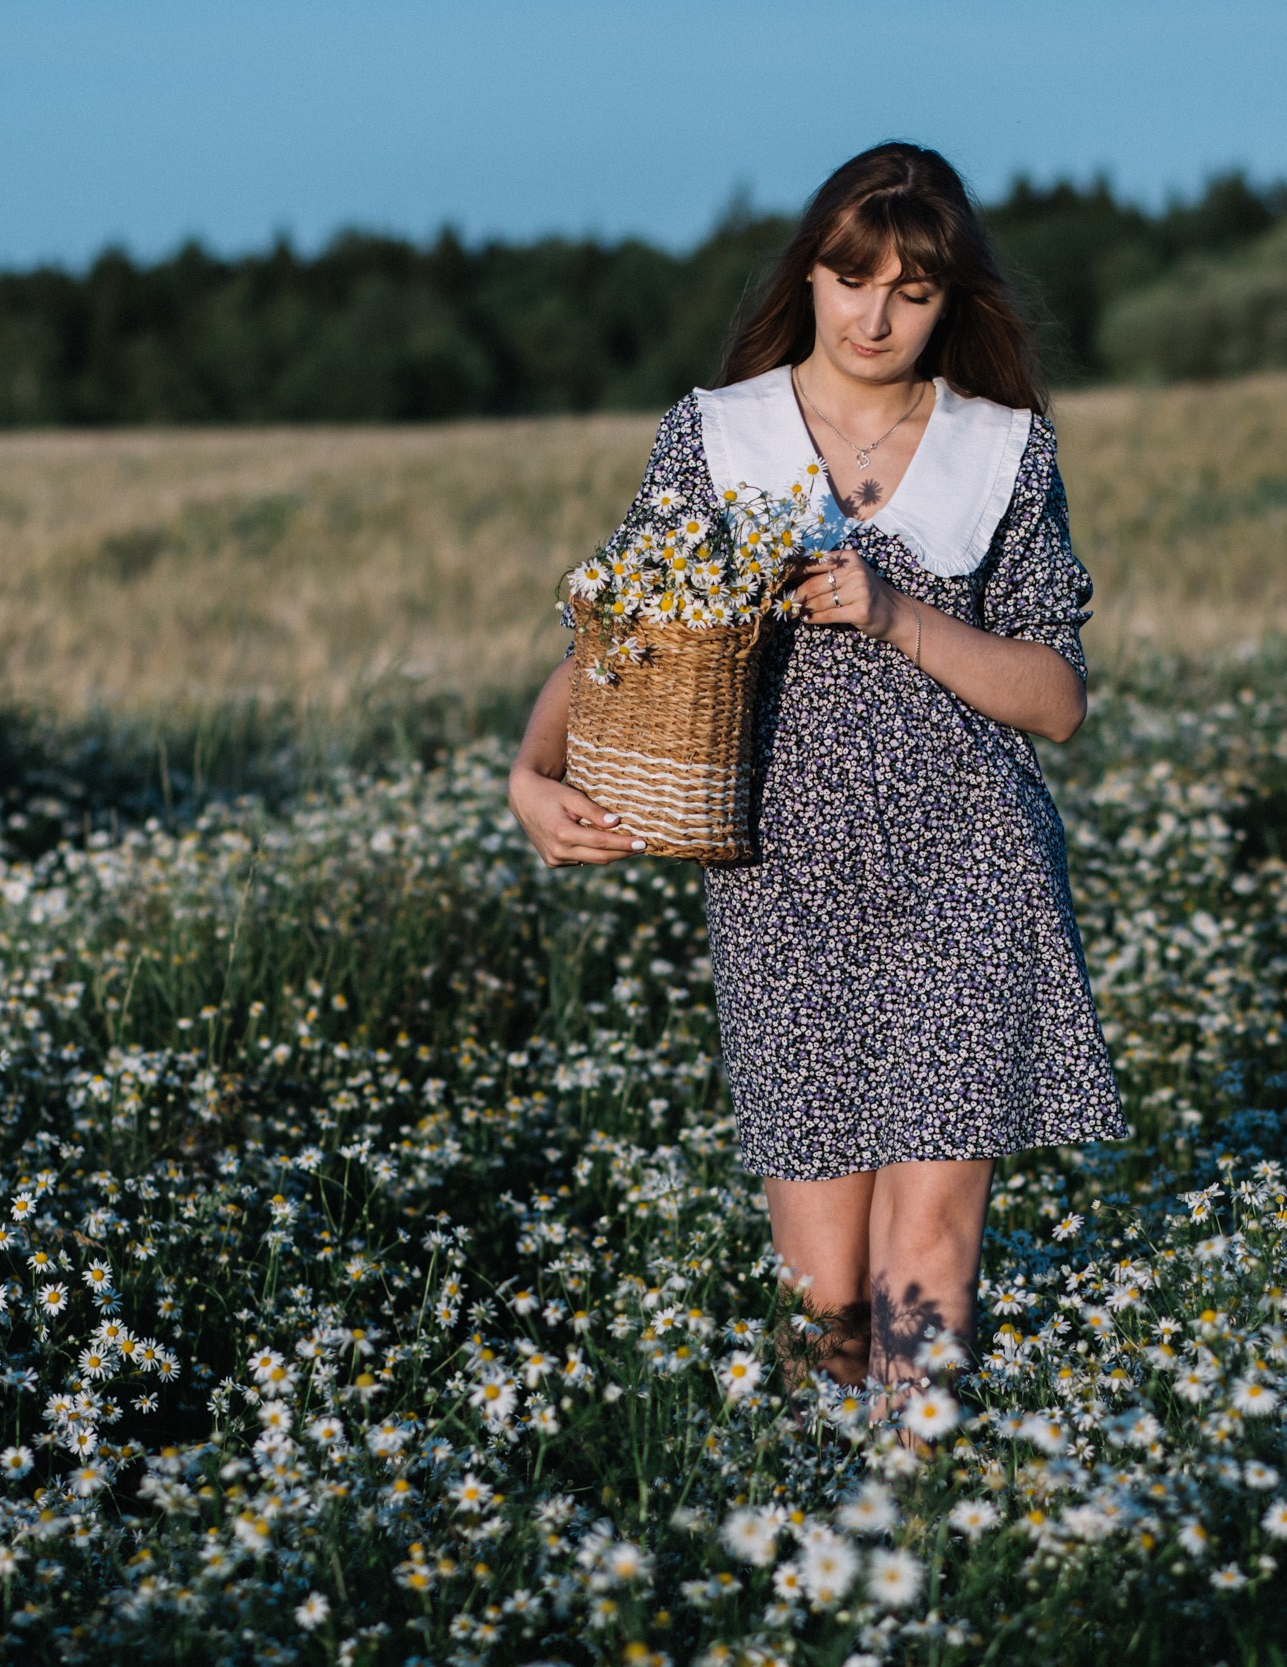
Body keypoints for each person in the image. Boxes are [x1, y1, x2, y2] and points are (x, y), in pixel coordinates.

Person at [508, 142, 1125, 1409]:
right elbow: (623, 631)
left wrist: (897, 612)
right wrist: (529, 770)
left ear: (951, 303)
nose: (876, 315)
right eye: (852, 278)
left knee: (929, 1247)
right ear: (811, 276)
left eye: (912, 289)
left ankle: (916, 1542)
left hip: (971, 870)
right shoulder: (719, 437)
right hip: (778, 883)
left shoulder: (1003, 451)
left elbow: (1055, 700)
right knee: (823, 1286)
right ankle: (822, 1544)